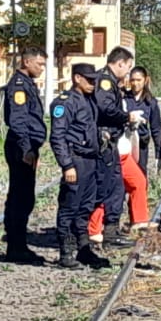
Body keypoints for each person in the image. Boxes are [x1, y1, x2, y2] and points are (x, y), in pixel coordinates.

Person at [50, 62, 112, 270]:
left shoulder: (89, 101)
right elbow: (57, 137)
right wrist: (67, 165)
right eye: (89, 79)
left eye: (95, 80)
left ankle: (84, 249)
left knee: (85, 207)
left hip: (90, 160)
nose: (93, 83)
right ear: (77, 78)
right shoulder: (65, 103)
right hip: (75, 160)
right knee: (69, 207)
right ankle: (66, 253)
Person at [1, 47, 48, 264]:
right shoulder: (19, 86)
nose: (42, 68)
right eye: (39, 64)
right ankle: (16, 247)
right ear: (27, 62)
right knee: (21, 197)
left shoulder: (27, 83)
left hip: (27, 146)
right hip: (21, 147)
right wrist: (27, 148)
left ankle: (18, 244)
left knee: (24, 196)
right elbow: (18, 121)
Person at [89, 46, 136, 249]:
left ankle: (110, 230)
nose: (128, 72)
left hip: (109, 140)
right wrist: (126, 116)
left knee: (115, 187)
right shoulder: (106, 81)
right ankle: (100, 231)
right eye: (128, 67)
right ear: (119, 63)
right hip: (104, 140)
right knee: (108, 187)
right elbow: (105, 108)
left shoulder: (108, 81)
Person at [125, 66, 161, 187]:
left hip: (141, 146)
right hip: (124, 145)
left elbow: (156, 128)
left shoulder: (150, 102)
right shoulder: (123, 98)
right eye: (133, 80)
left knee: (140, 179)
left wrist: (159, 153)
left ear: (145, 80)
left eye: (139, 80)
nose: (135, 83)